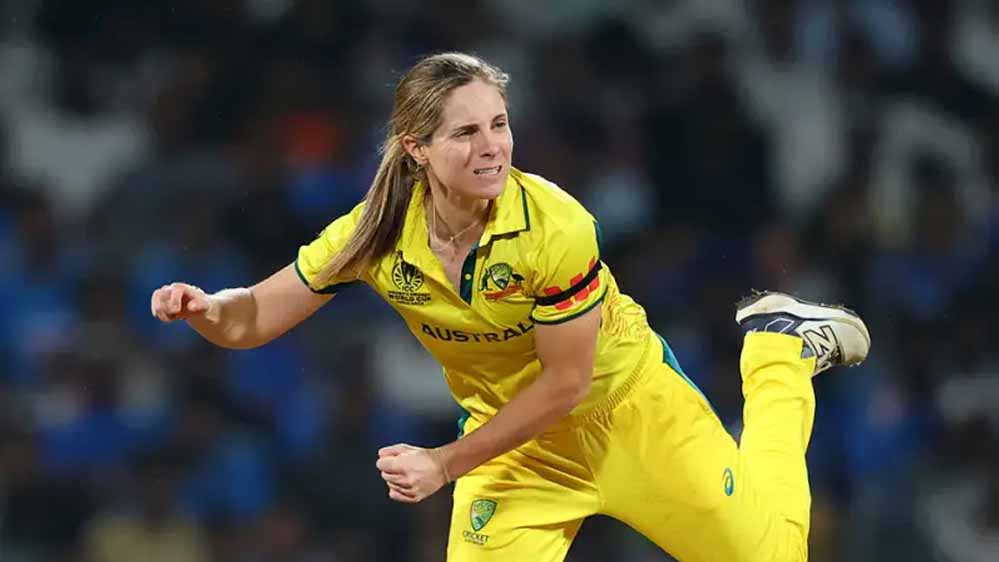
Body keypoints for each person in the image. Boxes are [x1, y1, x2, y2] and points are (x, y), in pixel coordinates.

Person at [150, 52, 871, 562]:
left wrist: (443, 463)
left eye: (499, 124)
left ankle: (777, 350)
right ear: (416, 148)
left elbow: (567, 383)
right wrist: (207, 309)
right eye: (466, 132)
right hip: (517, 450)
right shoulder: (375, 232)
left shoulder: (555, 227)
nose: (492, 147)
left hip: (630, 417)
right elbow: (255, 317)